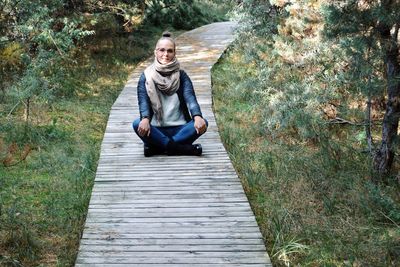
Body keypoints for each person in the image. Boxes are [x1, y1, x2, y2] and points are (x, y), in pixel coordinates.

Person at [132, 31, 208, 157]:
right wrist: (145, 119)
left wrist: (197, 116)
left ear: (174, 53)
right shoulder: (146, 76)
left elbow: (190, 99)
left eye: (169, 51)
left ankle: (158, 148)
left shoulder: (181, 76)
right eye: (162, 50)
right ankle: (181, 149)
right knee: (136, 124)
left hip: (180, 129)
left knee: (204, 122)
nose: (165, 54)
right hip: (155, 129)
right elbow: (143, 102)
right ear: (155, 52)